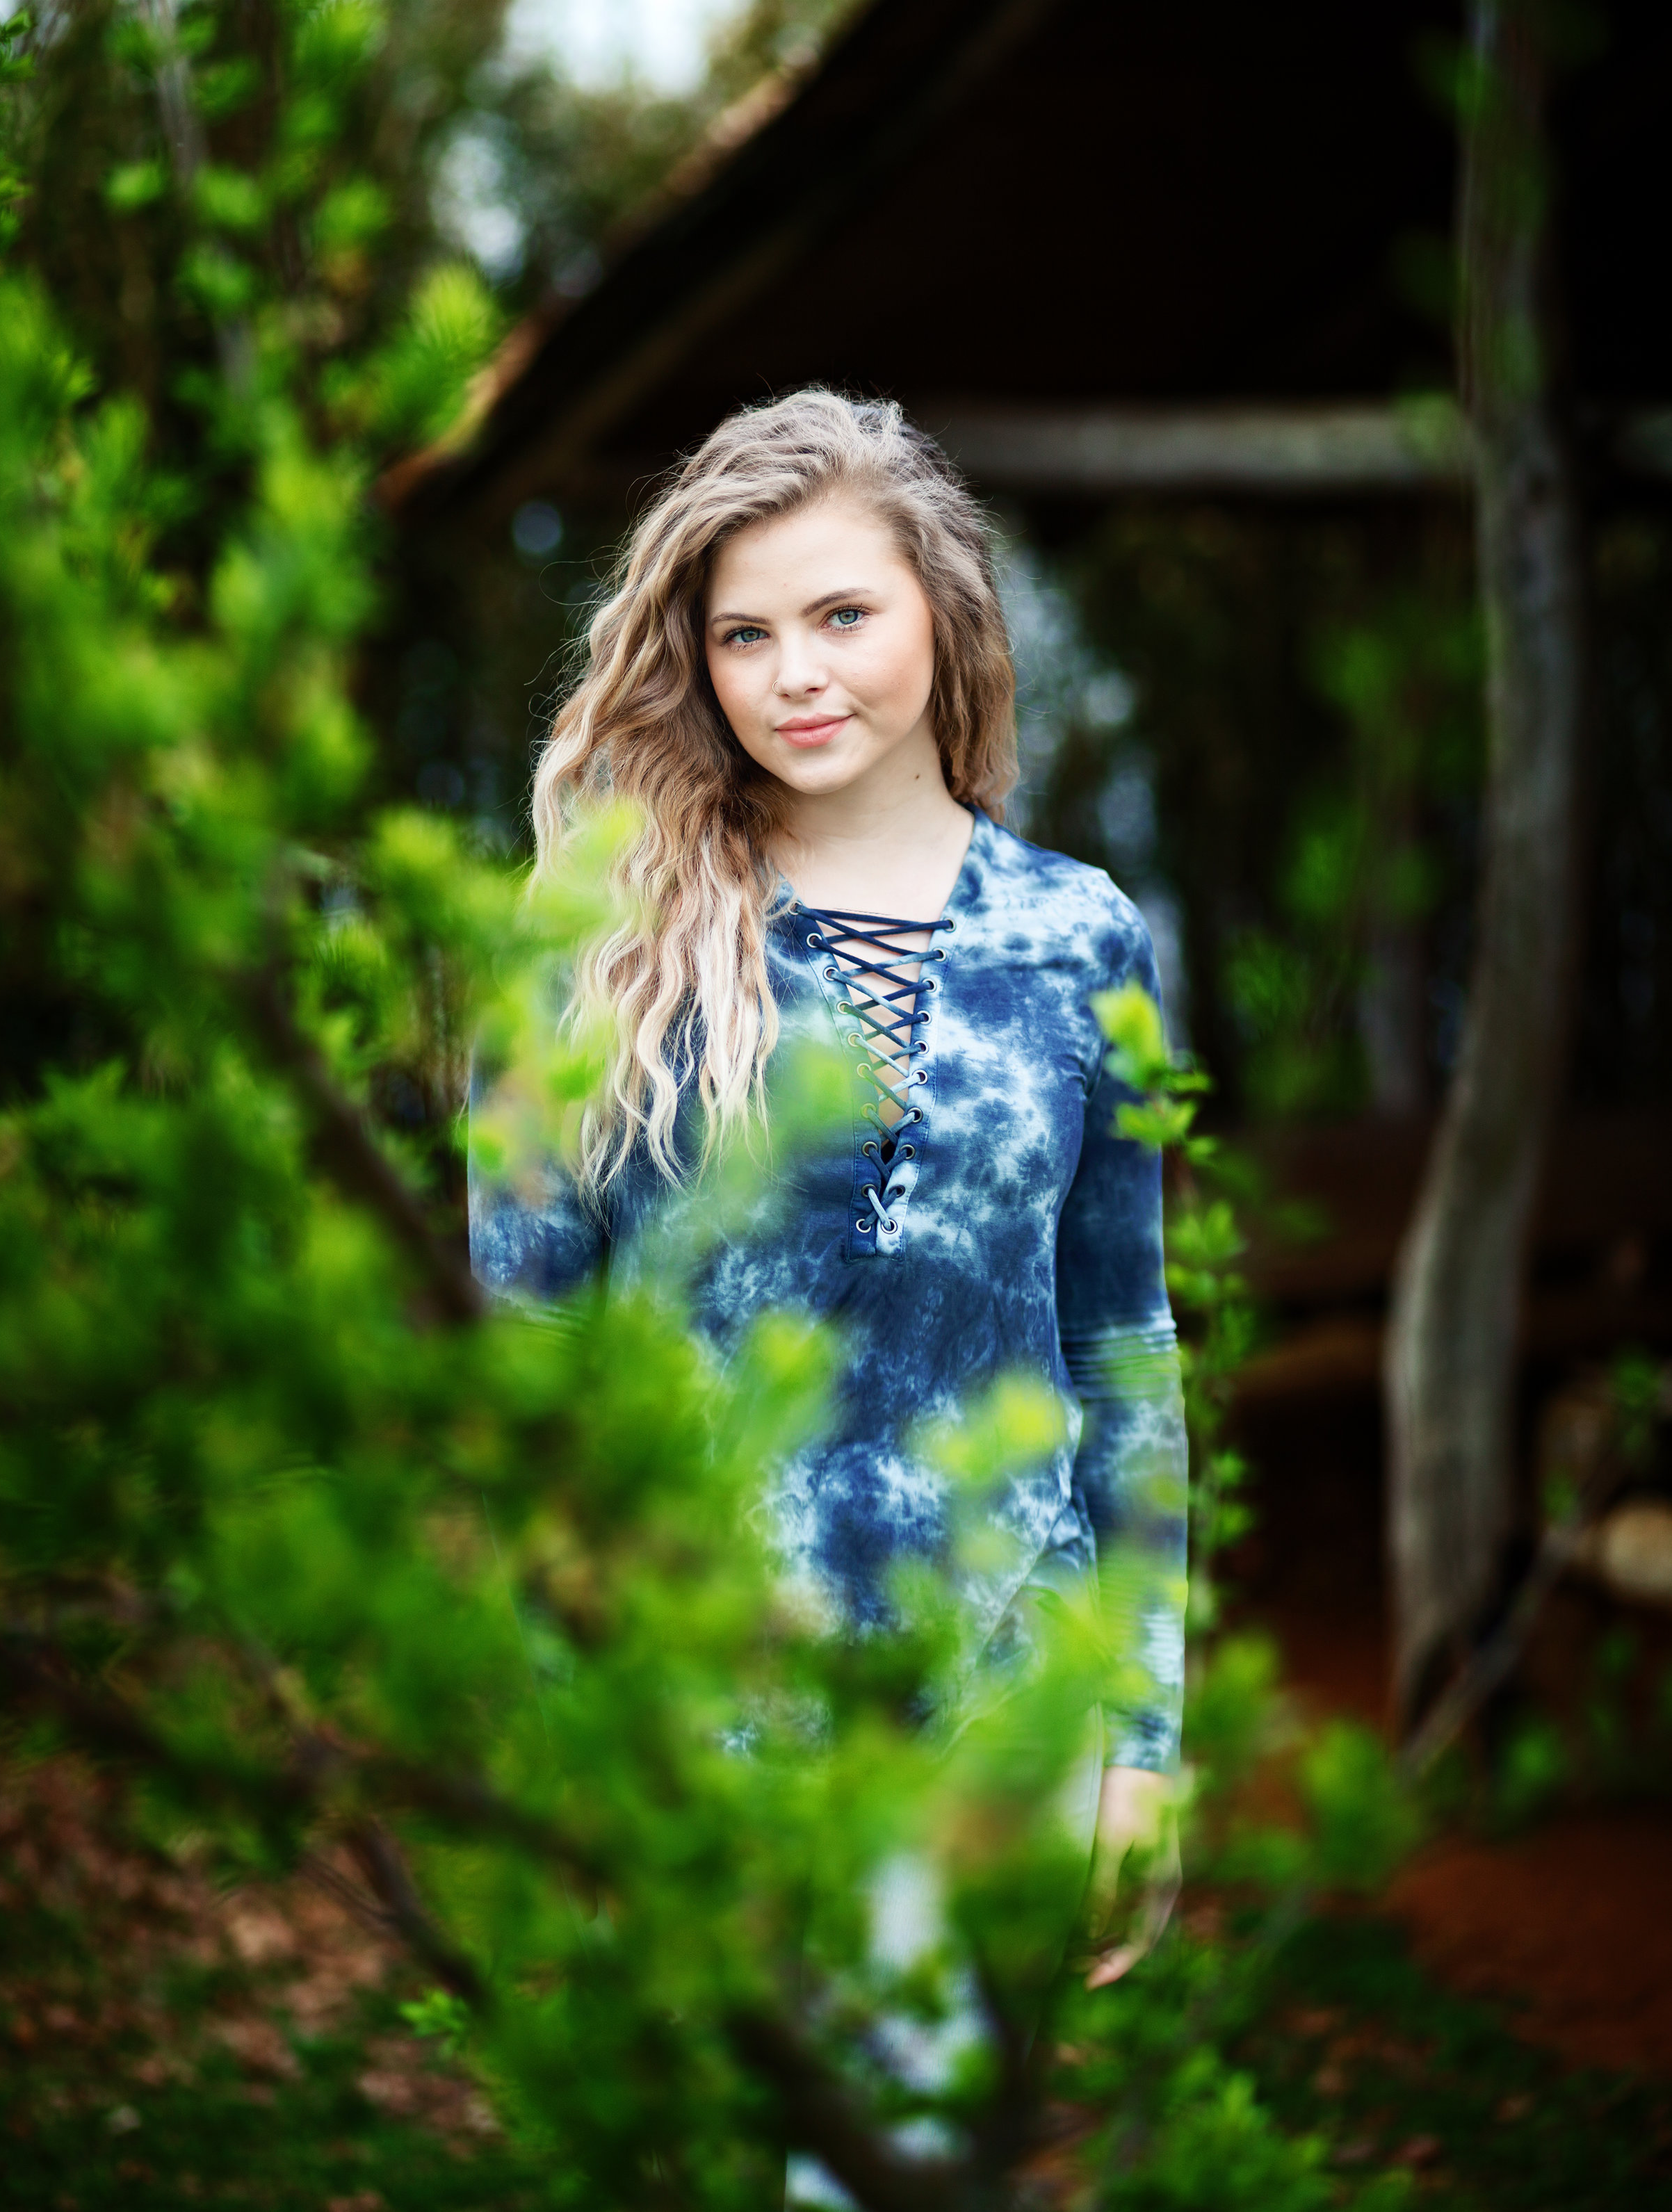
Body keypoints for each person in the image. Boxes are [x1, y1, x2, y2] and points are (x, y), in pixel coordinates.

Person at [469, 389, 1187, 2026]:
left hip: (1002, 1716)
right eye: (744, 634)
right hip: (687, 1727)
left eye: (841, 615)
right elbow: (521, 1365)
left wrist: (1139, 1742)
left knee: (926, 2141)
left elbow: (1121, 1353)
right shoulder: (596, 938)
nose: (792, 673)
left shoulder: (1077, 935)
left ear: (941, 606)